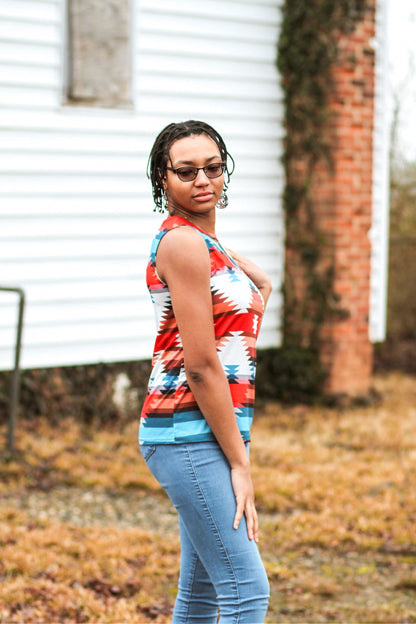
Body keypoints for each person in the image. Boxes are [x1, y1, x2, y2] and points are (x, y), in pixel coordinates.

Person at [139, 120, 271, 623]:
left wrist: (224, 250)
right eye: (187, 171)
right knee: (245, 589)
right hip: (186, 431)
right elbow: (200, 366)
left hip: (205, 430)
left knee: (201, 594)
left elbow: (259, 291)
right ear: (162, 178)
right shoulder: (183, 245)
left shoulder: (199, 243)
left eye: (213, 169)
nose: (203, 181)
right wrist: (241, 464)